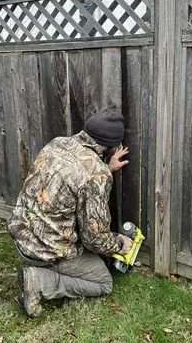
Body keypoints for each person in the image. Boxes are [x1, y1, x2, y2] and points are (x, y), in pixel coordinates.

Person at [7, 107, 132, 318]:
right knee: (103, 282)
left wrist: (105, 169)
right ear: (111, 146)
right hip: (46, 251)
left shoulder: (57, 143)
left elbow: (72, 180)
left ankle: (39, 273)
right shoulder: (95, 176)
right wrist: (120, 244)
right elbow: (94, 239)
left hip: (21, 236)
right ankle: (39, 282)